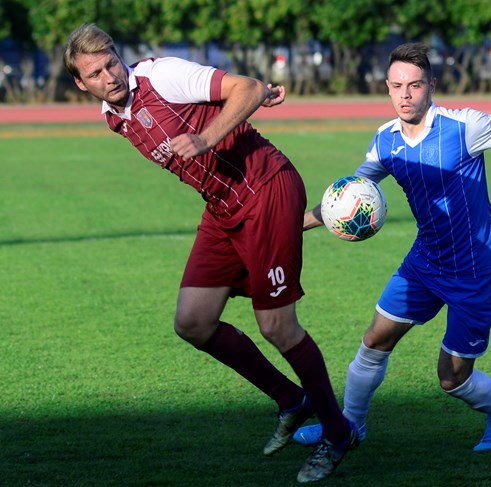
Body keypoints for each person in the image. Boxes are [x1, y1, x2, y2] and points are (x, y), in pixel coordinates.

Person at [292, 42, 491, 453]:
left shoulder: (463, 125)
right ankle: (349, 427)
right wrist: (290, 228)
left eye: (414, 85)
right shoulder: (385, 141)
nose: (405, 95)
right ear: (388, 89)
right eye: (396, 86)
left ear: (431, 85)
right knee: (375, 339)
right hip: (425, 262)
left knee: (452, 378)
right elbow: (348, 199)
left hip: (475, 269)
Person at [63, 23, 356, 483]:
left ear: (122, 57)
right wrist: (241, 106)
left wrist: (212, 132)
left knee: (276, 325)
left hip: (266, 189)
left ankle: (338, 433)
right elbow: (235, 101)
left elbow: (248, 87)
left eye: (112, 63)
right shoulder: (113, 117)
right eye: (96, 73)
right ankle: (291, 400)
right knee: (193, 321)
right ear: (82, 84)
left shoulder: (162, 75)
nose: (110, 77)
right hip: (223, 208)